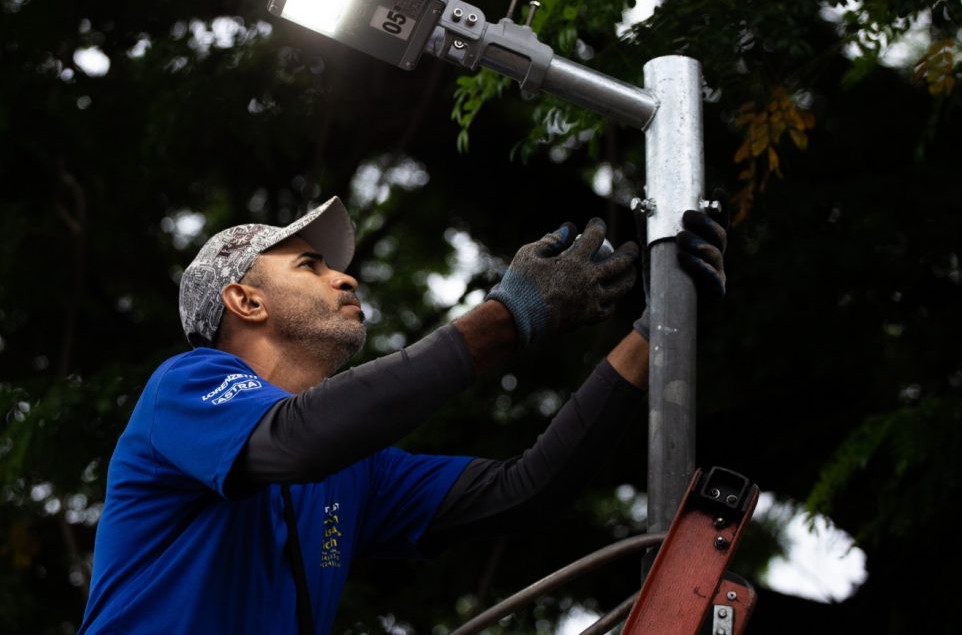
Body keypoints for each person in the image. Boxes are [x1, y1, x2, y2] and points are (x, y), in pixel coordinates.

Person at [78, 195, 727, 634]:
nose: (346, 279)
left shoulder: (351, 476)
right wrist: (509, 318)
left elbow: (528, 489)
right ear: (245, 300)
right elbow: (298, 442)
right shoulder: (185, 390)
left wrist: (659, 331)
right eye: (310, 264)